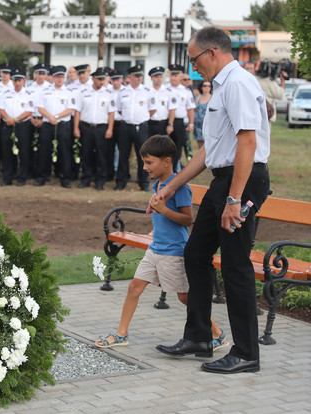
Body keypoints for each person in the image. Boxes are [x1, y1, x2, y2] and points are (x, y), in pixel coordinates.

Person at [155, 26, 270, 375]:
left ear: (213, 53)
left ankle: (247, 352)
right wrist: (172, 186)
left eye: (194, 60)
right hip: (225, 180)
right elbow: (207, 152)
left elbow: (247, 143)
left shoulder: (237, 84)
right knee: (196, 253)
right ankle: (200, 337)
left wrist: (235, 198)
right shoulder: (222, 88)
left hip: (242, 182)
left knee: (235, 264)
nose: (194, 69)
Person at [95, 135, 228, 351]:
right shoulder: (157, 185)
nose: (145, 167)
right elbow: (162, 218)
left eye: (149, 162)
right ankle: (121, 334)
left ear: (166, 161)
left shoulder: (181, 188)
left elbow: (187, 219)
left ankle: (218, 334)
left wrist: (164, 210)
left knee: (185, 298)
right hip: (155, 249)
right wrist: (155, 229)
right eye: (144, 162)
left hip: (174, 252)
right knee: (133, 288)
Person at [72, 67, 114, 190]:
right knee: (86, 154)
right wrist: (76, 128)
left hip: (101, 128)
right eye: (99, 79)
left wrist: (110, 129)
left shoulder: (108, 94)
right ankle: (86, 178)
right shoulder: (84, 93)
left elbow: (111, 113)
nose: (102, 82)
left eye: (103, 79)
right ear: (93, 79)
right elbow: (77, 111)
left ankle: (100, 180)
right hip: (86, 127)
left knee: (101, 155)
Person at [115, 65, 153, 191]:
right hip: (126, 127)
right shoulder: (123, 92)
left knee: (142, 155)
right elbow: (119, 110)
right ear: (129, 77)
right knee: (123, 155)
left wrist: (141, 119)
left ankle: (143, 183)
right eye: (136, 76)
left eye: (140, 76)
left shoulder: (147, 91)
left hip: (141, 127)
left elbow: (152, 110)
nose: (139, 78)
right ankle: (121, 181)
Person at [36, 65, 75, 187]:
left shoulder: (69, 92)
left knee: (64, 151)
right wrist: (50, 117)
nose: (59, 79)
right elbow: (40, 108)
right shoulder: (45, 91)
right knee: (44, 151)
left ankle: (65, 178)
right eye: (57, 77)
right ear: (52, 78)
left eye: (62, 77)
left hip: (62, 125)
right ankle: (42, 176)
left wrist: (56, 117)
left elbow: (70, 110)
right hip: (48, 125)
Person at [0, 68, 33, 186]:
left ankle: (21, 178)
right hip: (7, 125)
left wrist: (15, 119)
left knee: (23, 152)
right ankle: (7, 177)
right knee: (6, 152)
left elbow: (29, 111)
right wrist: (8, 119)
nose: (17, 83)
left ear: (24, 80)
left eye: (19, 80)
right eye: (15, 80)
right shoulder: (6, 94)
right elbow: (1, 109)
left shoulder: (28, 94)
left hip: (22, 126)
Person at [166, 65, 195, 171]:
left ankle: (173, 170)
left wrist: (191, 123)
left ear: (180, 76)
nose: (173, 78)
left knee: (177, 147)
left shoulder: (185, 91)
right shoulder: (164, 88)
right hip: (165, 121)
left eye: (176, 75)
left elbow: (190, 108)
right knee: (163, 147)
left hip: (179, 122)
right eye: (172, 75)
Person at [147, 66, 172, 136]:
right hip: (149, 123)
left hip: (163, 124)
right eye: (156, 77)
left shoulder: (168, 91)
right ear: (151, 78)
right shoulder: (147, 91)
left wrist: (170, 124)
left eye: (160, 77)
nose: (159, 79)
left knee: (162, 146)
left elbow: (172, 109)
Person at [193, 80, 212, 149]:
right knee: (200, 146)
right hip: (197, 124)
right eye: (205, 86)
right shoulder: (197, 98)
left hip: (208, 125)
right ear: (201, 87)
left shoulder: (213, 98)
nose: (207, 87)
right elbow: (193, 110)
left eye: (209, 86)